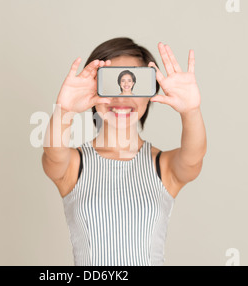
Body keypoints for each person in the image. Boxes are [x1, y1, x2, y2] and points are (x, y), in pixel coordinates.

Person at [42, 37, 207, 266]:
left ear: (150, 94)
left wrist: (191, 111)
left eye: (135, 83)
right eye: (112, 82)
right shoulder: (73, 165)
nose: (123, 95)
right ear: (93, 88)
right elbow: (52, 152)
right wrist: (64, 110)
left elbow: (194, 156)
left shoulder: (164, 165)